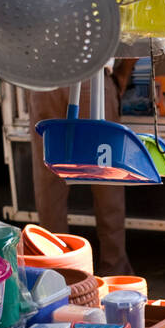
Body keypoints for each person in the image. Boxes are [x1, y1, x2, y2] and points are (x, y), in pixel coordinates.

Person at [27, 59, 136, 275]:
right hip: (91, 77)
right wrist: (120, 76)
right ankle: (115, 273)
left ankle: (56, 272)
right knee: (108, 178)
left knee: (49, 184)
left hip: (43, 79)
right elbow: (133, 36)